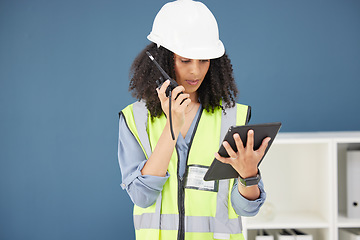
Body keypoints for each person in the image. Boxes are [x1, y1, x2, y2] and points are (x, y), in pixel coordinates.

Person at [118, 0, 271, 239]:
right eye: (185, 60)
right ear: (163, 60)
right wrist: (172, 125)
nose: (195, 72)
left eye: (204, 60)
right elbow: (142, 196)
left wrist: (248, 175)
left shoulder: (232, 117)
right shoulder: (135, 119)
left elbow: (246, 208)